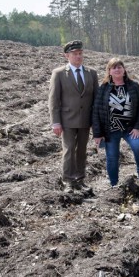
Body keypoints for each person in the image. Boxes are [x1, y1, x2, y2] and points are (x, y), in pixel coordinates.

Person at [48, 40, 99, 193]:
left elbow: (96, 99)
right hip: (67, 120)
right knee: (69, 149)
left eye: (80, 53)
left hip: (85, 119)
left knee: (82, 150)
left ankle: (80, 179)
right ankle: (68, 180)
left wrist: (96, 121)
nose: (78, 56)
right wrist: (55, 122)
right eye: (75, 54)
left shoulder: (91, 73)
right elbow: (53, 99)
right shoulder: (59, 74)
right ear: (67, 56)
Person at [92, 58, 139, 186]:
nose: (117, 69)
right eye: (114, 67)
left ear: (124, 70)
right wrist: (97, 133)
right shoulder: (103, 88)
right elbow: (96, 111)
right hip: (110, 130)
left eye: (119, 67)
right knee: (112, 158)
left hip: (130, 129)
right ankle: (114, 184)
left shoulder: (134, 86)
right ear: (109, 71)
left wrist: (138, 127)